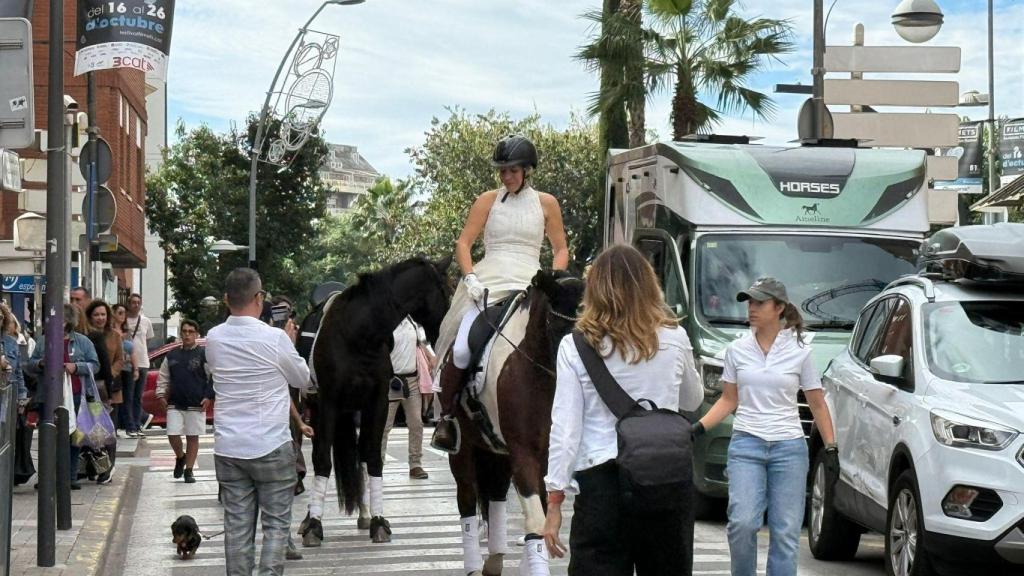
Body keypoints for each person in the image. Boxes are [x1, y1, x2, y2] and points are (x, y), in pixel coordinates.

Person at [542, 245, 703, 575]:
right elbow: (692, 400)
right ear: (649, 285)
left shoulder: (575, 345)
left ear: (595, 289)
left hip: (603, 482)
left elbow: (566, 429)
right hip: (665, 479)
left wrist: (555, 499)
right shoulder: (675, 336)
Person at [431, 135, 570, 452]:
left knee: (562, 341)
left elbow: (560, 249)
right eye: (502, 171)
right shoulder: (487, 200)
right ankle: (448, 418)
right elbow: (464, 243)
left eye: (512, 171)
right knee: (464, 344)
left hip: (529, 280)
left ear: (527, 171)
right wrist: (469, 278)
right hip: (490, 279)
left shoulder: (547, 204)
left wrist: (553, 277)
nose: (506, 177)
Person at [692, 277, 837, 576]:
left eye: (759, 302)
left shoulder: (800, 351)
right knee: (742, 523)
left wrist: (831, 447)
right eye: (750, 302)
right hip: (746, 444)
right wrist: (697, 429)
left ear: (779, 308)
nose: (752, 308)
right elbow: (728, 400)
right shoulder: (736, 350)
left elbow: (817, 403)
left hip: (789, 448)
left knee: (785, 532)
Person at [206, 268, 311, 576]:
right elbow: (302, 378)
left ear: (226, 300)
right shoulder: (276, 338)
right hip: (271, 444)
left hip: (229, 448)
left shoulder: (214, 337)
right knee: (277, 524)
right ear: (259, 298)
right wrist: (289, 343)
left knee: (237, 526)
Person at [30, 304, 100, 490]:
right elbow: (29, 364)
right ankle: (47, 477)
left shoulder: (83, 342)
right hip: (49, 395)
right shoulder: (44, 341)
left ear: (69, 321)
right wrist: (40, 364)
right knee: (49, 436)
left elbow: (95, 365)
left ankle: (70, 476)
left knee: (74, 437)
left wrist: (76, 367)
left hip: (76, 395)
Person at [155, 319, 213, 484]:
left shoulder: (203, 354)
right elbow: (163, 377)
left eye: (191, 331)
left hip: (196, 402)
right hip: (175, 401)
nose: (187, 334)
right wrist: (160, 394)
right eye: (184, 331)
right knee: (172, 433)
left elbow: (212, 377)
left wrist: (208, 396)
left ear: (196, 334)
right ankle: (180, 457)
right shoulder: (172, 355)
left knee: (192, 436)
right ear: (181, 333)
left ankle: (189, 470)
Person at [381, 316, 432, 480]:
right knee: (384, 425)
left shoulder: (414, 323)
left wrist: (432, 357)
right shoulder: (386, 322)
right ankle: (377, 463)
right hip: (391, 381)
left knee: (416, 423)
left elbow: (424, 343)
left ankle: (415, 464)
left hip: (412, 380)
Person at [85, 300, 123, 484]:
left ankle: (107, 468)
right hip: (91, 388)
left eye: (103, 314)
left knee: (108, 430)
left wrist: (110, 375)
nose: (100, 318)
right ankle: (96, 467)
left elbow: (119, 360)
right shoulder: (85, 335)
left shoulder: (115, 335)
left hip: (109, 389)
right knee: (94, 432)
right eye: (96, 315)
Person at [124, 293, 155, 435]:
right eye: (133, 302)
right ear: (128, 304)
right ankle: (130, 426)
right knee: (128, 396)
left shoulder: (146, 321)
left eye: (138, 302)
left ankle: (137, 424)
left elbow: (147, 340)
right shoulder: (123, 320)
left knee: (138, 396)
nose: (136, 305)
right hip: (127, 363)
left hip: (143, 362)